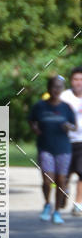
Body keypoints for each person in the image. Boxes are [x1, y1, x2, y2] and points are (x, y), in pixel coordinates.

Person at [29, 75, 76, 224]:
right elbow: (31, 120)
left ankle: (57, 211)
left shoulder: (66, 107)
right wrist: (34, 127)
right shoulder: (39, 106)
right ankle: (47, 204)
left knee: (61, 180)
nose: (56, 90)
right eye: (54, 87)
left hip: (63, 148)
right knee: (47, 180)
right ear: (49, 88)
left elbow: (74, 126)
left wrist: (69, 127)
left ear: (62, 89)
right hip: (45, 147)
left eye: (59, 87)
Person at [60, 66, 82, 215]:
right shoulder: (64, 97)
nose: (78, 82)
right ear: (71, 81)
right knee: (63, 175)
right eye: (75, 79)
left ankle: (78, 204)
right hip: (65, 142)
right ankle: (64, 190)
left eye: (81, 79)